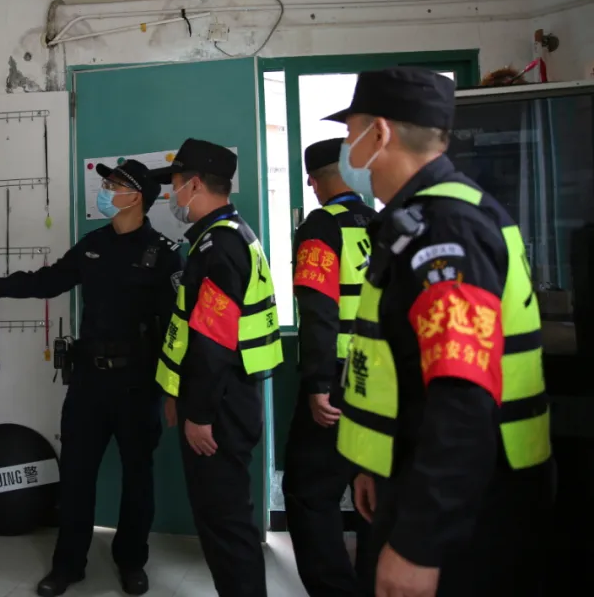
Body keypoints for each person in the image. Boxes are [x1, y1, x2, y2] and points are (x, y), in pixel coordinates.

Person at [329, 68, 554, 597]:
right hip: (422, 478)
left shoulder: (445, 231)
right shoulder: (422, 220)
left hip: (465, 511)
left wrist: (418, 545)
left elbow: (462, 399)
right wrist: (375, 465)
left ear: (379, 133)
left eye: (351, 133)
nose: (347, 150)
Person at [0, 159, 183, 597]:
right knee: (76, 475)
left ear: (136, 197)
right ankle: (68, 564)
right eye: (106, 182)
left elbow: (177, 328)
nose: (105, 189)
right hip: (89, 383)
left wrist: (173, 390)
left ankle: (131, 560)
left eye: (114, 184)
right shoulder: (93, 244)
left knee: (138, 477)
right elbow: (47, 281)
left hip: (138, 384)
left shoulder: (164, 253)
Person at [151, 138, 283, 597]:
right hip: (228, 396)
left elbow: (212, 341)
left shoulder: (218, 246)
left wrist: (200, 413)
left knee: (225, 524)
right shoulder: (228, 235)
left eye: (174, 184)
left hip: (220, 406)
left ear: (193, 185)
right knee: (224, 518)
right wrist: (177, 394)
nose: (171, 195)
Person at [282, 138, 376, 596]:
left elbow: (319, 310)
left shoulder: (322, 226)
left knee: (309, 491)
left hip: (337, 380)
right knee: (374, 489)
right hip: (384, 382)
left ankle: (334, 589)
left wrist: (317, 383)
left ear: (314, 182)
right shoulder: (383, 222)